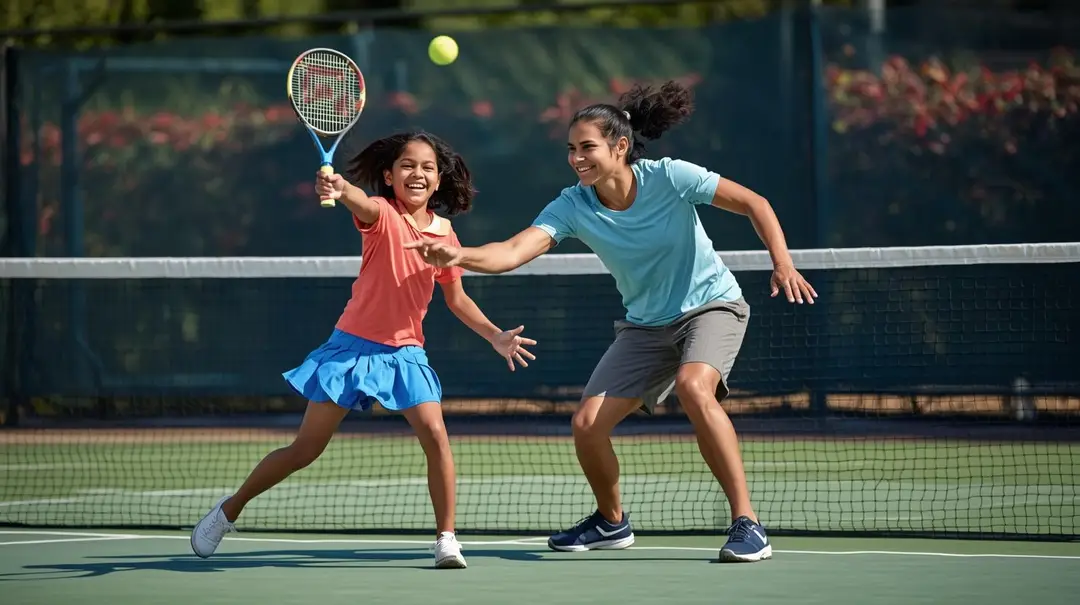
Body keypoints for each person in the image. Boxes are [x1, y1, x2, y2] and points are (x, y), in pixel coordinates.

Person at [404, 82, 816, 563]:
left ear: (620, 147)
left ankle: (748, 524)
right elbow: (513, 251)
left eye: (588, 148)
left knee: (694, 387)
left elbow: (755, 203)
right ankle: (612, 521)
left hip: (712, 306)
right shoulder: (573, 204)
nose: (577, 158)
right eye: (572, 150)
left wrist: (782, 262)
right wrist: (460, 254)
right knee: (586, 425)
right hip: (645, 326)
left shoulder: (671, 177)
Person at [190, 131, 537, 569]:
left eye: (427, 167)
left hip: (406, 353)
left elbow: (456, 300)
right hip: (352, 349)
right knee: (305, 450)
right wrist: (340, 188)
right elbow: (361, 201)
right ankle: (229, 509)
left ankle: (447, 539)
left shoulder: (447, 235)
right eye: (407, 165)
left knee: (437, 438)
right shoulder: (383, 215)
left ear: (438, 180)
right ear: (390, 176)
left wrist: (494, 335)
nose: (418, 173)